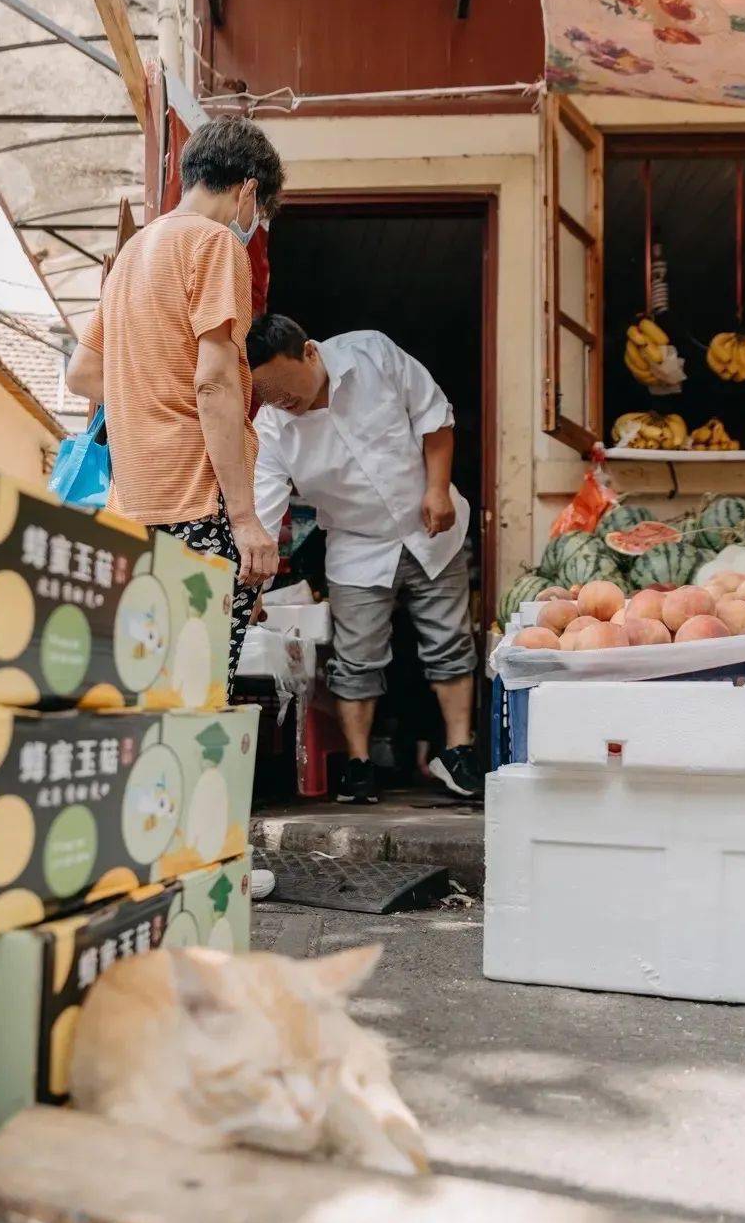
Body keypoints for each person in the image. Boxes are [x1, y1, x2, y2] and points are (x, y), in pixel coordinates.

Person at [66, 117, 285, 693]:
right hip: (195, 503)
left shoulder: (135, 252)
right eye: (258, 214)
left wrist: (148, 390)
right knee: (197, 692)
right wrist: (244, 519)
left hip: (131, 506)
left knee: (145, 685)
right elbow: (215, 384)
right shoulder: (214, 245)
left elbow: (81, 372)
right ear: (248, 191)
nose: (253, 226)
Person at [248, 314, 480, 804]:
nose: (282, 403)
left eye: (287, 390)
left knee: (449, 640)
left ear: (309, 352)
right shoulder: (271, 430)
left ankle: (459, 751)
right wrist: (251, 590)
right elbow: (264, 522)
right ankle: (357, 766)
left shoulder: (372, 353)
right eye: (268, 396)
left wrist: (438, 488)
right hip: (356, 546)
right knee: (357, 659)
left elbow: (434, 416)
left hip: (431, 525)